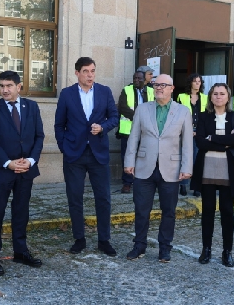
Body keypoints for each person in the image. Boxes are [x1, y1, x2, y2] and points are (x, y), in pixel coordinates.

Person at [124, 74, 193, 263]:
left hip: (170, 169)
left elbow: (187, 143)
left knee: (169, 211)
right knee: (141, 210)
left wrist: (187, 168)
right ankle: (139, 245)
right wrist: (129, 162)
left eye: (163, 85)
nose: (159, 88)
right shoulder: (142, 109)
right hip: (144, 167)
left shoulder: (183, 111)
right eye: (156, 85)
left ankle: (165, 248)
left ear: (172, 89)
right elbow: (134, 137)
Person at [54, 57, 119, 256]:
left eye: (92, 71)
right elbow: (59, 125)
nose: (90, 75)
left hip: (98, 153)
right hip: (74, 155)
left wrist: (103, 127)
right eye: (86, 71)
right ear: (77, 73)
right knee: (75, 198)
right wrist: (65, 147)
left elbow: (114, 117)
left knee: (104, 198)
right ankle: (79, 239)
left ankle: (104, 240)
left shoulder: (104, 91)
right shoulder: (66, 94)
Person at [0, 71, 45, 276]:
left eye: (9, 85)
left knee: (21, 213)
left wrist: (30, 160)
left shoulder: (32, 107)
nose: (4, 90)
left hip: (26, 171)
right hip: (2, 172)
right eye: (2, 85)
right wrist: (8, 163)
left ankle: (20, 251)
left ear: (19, 87)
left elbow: (39, 136)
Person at [191, 84, 234, 267]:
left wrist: (212, 138)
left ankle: (227, 251)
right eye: (215, 94)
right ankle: (206, 249)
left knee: (227, 211)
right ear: (211, 97)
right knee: (207, 211)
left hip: (228, 170)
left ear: (228, 97)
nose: (219, 97)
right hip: (207, 168)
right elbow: (200, 142)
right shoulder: (204, 117)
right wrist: (225, 143)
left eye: (222, 94)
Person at [116, 67, 155, 194]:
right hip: (128, 131)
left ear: (145, 80)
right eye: (135, 78)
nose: (136, 80)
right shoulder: (126, 90)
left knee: (144, 156)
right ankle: (127, 183)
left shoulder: (151, 91)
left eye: (139, 78)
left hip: (146, 131)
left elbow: (155, 107)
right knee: (127, 156)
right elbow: (122, 107)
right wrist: (139, 118)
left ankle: (142, 180)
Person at [176, 73, 207, 197]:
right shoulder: (181, 97)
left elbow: (207, 116)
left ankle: (196, 187)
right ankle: (183, 185)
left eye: (199, 82)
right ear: (190, 83)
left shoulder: (205, 97)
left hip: (200, 132)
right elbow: (177, 115)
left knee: (198, 160)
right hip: (185, 131)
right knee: (185, 157)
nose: (197, 84)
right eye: (195, 81)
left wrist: (199, 131)